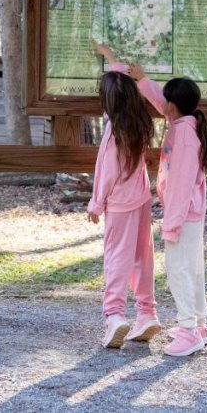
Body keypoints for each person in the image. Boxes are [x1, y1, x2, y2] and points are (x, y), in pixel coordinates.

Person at [94, 43, 207, 357]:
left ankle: (179, 328)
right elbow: (153, 100)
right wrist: (118, 63)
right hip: (162, 207)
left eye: (166, 102)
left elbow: (180, 185)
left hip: (167, 215)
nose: (161, 105)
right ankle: (177, 319)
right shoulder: (170, 123)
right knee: (168, 264)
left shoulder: (180, 136)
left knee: (168, 268)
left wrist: (171, 224)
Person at [86, 48, 160, 349]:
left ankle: (115, 316)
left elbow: (106, 173)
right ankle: (147, 313)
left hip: (118, 205)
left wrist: (96, 203)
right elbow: (121, 83)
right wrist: (109, 56)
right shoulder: (138, 125)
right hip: (142, 200)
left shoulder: (113, 134)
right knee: (143, 258)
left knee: (116, 258)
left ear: (108, 104)